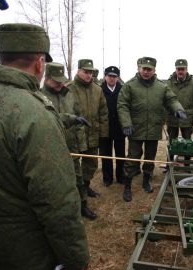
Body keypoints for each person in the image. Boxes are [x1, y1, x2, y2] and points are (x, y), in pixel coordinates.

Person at [0, 23, 89, 270]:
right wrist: (77, 259)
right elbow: (58, 202)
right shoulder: (34, 113)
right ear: (40, 63)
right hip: (31, 252)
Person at [117, 56, 186, 202]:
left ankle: (146, 180)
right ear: (139, 68)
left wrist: (178, 108)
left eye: (149, 69)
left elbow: (171, 99)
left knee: (150, 157)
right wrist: (126, 123)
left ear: (154, 70)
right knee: (132, 158)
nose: (146, 72)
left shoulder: (162, 87)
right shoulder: (130, 85)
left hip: (154, 128)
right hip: (135, 129)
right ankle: (127, 185)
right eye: (144, 69)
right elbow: (122, 105)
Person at [41, 62, 97, 220]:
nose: (60, 84)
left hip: (71, 145)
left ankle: (83, 206)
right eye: (56, 81)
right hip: (51, 147)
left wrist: (81, 145)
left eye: (62, 80)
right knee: (56, 181)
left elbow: (78, 118)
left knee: (77, 178)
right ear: (47, 78)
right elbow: (49, 119)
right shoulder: (39, 96)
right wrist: (73, 118)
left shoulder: (69, 94)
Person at [69, 59, 109, 204]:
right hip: (74, 136)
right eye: (86, 72)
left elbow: (103, 112)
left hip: (92, 133)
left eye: (90, 72)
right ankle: (76, 191)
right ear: (78, 71)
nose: (88, 75)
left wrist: (103, 134)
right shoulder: (68, 88)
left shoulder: (97, 90)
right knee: (73, 166)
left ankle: (85, 187)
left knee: (91, 164)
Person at [165, 59, 193, 159]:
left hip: (187, 118)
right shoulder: (169, 82)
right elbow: (164, 100)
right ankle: (170, 164)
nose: (180, 71)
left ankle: (187, 163)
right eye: (178, 69)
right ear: (176, 70)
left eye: (182, 69)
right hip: (172, 117)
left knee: (188, 142)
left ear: (187, 69)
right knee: (171, 142)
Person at [99, 66, 126, 186]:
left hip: (119, 128)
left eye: (114, 76)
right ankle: (107, 178)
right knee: (106, 155)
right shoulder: (100, 89)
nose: (112, 78)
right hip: (105, 127)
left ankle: (121, 176)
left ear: (117, 78)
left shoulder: (123, 89)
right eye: (109, 76)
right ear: (105, 76)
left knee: (120, 154)